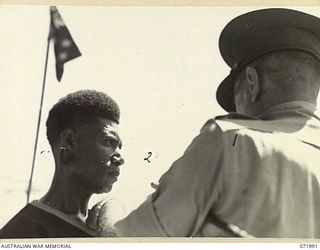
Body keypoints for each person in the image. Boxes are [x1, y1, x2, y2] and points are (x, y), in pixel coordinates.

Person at [93, 8, 320, 237]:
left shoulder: (230, 141)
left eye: (235, 98)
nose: (236, 109)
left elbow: (125, 242)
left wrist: (109, 208)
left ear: (252, 83)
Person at [0, 89, 124, 238]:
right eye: (109, 142)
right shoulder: (22, 233)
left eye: (119, 147)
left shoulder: (106, 227)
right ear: (70, 141)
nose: (120, 159)